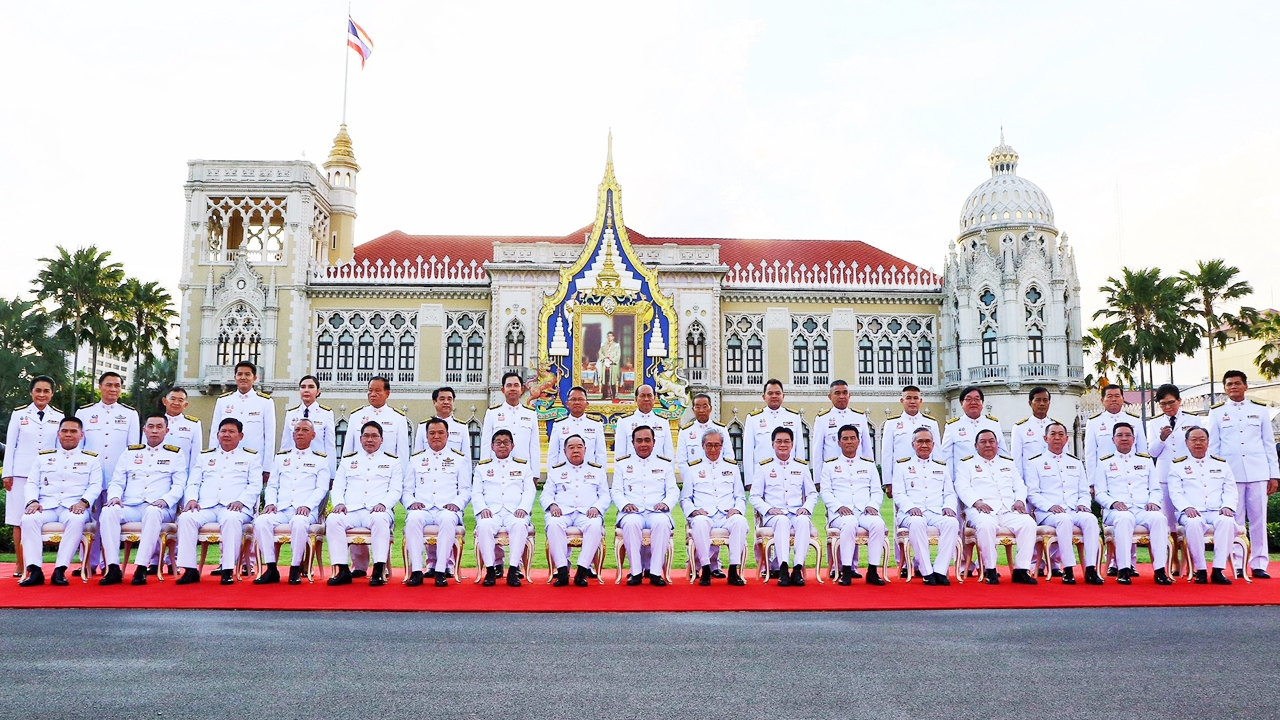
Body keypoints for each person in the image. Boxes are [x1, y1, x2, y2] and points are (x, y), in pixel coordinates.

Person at [99, 413, 186, 586]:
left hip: (160, 508)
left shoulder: (175, 454)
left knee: (152, 512)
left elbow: (179, 485)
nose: (154, 431)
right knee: (108, 511)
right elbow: (117, 481)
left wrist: (166, 500)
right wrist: (115, 497)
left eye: (159, 427)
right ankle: (113, 567)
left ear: (166, 430)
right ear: (144, 430)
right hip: (131, 505)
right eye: (151, 427)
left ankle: (140, 568)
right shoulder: (130, 452)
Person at [1208, 370, 1278, 579]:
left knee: (1259, 519)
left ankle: (1259, 564)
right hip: (1231, 474)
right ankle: (1237, 563)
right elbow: (1214, 447)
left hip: (1258, 472)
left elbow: (1268, 444)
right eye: (1229, 384)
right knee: (1234, 520)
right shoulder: (1217, 412)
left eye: (1237, 383)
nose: (1233, 387)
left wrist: (1273, 475)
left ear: (1245, 386)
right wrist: (1215, 476)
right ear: (1225, 388)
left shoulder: (1260, 410)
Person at [17, 418, 103, 587]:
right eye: (64, 431)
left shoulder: (91, 459)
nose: (68, 435)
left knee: (76, 520)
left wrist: (83, 502)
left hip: (73, 507)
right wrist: (32, 502)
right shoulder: (43, 457)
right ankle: (34, 570)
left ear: (81, 435)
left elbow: (95, 485)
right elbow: (32, 483)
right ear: (58, 434)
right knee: (28, 519)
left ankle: (60, 570)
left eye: (73, 431)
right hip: (46, 506)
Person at [175, 418, 262, 585]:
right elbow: (193, 482)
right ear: (217, 434)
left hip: (235, 507)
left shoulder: (251, 457)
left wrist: (241, 501)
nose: (226, 435)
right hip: (206, 506)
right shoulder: (205, 456)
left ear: (241, 436)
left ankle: (227, 569)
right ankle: (190, 569)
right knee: (186, 518)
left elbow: (255, 484)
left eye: (231, 432)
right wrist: (192, 499)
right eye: (223, 431)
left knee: (231, 519)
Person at [342, 376, 410, 576]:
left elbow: (402, 454)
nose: (373, 394)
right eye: (370, 390)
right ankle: (359, 566)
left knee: (380, 520)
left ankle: (381, 566)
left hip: (386, 480)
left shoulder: (398, 418)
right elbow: (348, 450)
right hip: (358, 476)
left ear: (387, 393)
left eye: (377, 391)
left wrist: (401, 484)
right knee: (355, 510)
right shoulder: (356, 416)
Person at [954, 429, 1038, 585]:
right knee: (986, 525)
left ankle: (1021, 570)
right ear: (976, 445)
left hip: (1008, 509)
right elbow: (962, 487)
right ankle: (990, 569)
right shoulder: (966, 464)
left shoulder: (1007, 463)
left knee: (1028, 523)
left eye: (991, 441)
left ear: (997, 444)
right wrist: (977, 502)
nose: (988, 445)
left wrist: (1020, 500)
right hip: (980, 510)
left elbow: (1020, 485)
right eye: (983, 442)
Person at [76, 371, 140, 573]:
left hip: (117, 478)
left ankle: (108, 562)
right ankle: (88, 562)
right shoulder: (84, 413)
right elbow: (80, 448)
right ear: (100, 386)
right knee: (88, 521)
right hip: (90, 477)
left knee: (110, 520)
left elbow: (133, 449)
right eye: (109, 385)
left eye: (117, 386)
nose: (113, 389)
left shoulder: (130, 414)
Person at [1095, 422, 1173, 585]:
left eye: (1127, 435)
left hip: (1142, 508)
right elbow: (1100, 493)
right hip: (1117, 511)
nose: (1124, 439)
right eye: (1120, 435)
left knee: (1159, 519)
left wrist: (1153, 502)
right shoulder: (1104, 463)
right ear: (1113, 439)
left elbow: (1156, 489)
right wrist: (1113, 502)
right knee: (1124, 519)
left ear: (1134, 439)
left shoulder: (1145, 461)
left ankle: (1160, 570)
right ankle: (1123, 569)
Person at [325, 421, 402, 587]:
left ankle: (378, 569)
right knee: (332, 520)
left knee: (380, 519)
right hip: (351, 510)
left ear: (381, 440)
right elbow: (337, 487)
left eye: (374, 436)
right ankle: (343, 569)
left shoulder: (392, 462)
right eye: (366, 436)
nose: (370, 439)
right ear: (360, 439)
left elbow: (396, 490)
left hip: (377, 510)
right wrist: (338, 503)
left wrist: (384, 504)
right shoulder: (348, 461)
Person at [1026, 422, 1103, 585]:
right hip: (1048, 513)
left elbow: (1083, 491)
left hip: (1073, 509)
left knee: (1090, 519)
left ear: (1067, 438)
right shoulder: (1035, 463)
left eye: (1061, 434)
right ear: (1045, 438)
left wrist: (1084, 505)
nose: (1057, 438)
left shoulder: (1075, 462)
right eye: (1053, 434)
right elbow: (1032, 493)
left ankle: (1090, 568)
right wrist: (1050, 506)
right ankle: (1068, 569)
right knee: (1064, 520)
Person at [253, 418, 329, 585]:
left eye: (304, 430)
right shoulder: (281, 458)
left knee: (299, 522)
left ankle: (295, 568)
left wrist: (307, 506)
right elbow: (272, 485)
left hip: (305, 511)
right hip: (281, 509)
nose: (300, 433)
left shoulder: (321, 460)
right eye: (297, 430)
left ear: (313, 435)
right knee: (261, 521)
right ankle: (271, 568)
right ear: (293, 435)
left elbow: (322, 489)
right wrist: (270, 503)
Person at [4, 375, 63, 576]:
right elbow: (11, 445)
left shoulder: (58, 416)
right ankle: (20, 565)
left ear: (52, 394)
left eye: (46, 391)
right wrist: (7, 474)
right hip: (20, 474)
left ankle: (36, 564)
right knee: (18, 520)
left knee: (40, 518)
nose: (42, 394)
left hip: (48, 475)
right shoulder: (19, 414)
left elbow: (59, 447)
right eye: (38, 390)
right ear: (31, 392)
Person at [403, 418, 471, 587]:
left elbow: (466, 490)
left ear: (447, 435)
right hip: (423, 507)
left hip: (446, 508)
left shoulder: (458, 459)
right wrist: (411, 503)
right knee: (413, 518)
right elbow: (406, 490)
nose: (436, 436)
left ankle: (441, 570)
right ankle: (417, 571)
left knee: (448, 519)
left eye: (441, 432)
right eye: (432, 433)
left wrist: (456, 504)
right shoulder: (416, 459)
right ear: (426, 436)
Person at [1168, 426, 1239, 585]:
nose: (1198, 443)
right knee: (1193, 523)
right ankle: (1200, 569)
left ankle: (1218, 569)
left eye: (1202, 439)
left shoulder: (1220, 463)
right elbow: (1175, 492)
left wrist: (1228, 506)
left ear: (1208, 442)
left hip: (1216, 510)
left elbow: (1230, 489)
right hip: (1192, 511)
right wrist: (1187, 508)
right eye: (1194, 440)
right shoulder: (1178, 465)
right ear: (1186, 443)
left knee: (1227, 521)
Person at [819, 425, 887, 586]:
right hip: (840, 514)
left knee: (878, 524)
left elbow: (877, 491)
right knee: (849, 523)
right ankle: (847, 570)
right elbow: (826, 492)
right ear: (839, 442)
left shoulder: (869, 465)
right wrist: (838, 507)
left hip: (864, 511)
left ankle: (872, 570)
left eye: (852, 438)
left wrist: (873, 506)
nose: (849, 442)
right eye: (845, 438)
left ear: (858, 441)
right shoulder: (829, 465)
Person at [612, 425, 678, 586]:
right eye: (639, 440)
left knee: (662, 523)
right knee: (631, 523)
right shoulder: (622, 464)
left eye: (647, 440)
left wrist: (665, 503)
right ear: (633, 443)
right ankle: (635, 572)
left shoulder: (664, 464)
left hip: (657, 511)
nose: (643, 444)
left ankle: (655, 573)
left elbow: (673, 491)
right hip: (632, 511)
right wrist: (625, 504)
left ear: (654, 442)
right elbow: (616, 491)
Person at [680, 429, 747, 586]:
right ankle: (705, 568)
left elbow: (740, 497)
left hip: (726, 515)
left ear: (722, 446)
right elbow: (685, 498)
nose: (713, 449)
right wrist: (694, 511)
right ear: (702, 446)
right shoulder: (693, 468)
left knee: (740, 521)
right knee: (700, 522)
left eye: (717, 445)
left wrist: (737, 510)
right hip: (705, 514)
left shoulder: (732, 467)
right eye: (709, 445)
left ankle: (733, 569)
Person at [892, 428, 958, 585]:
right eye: (920, 441)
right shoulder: (902, 466)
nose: (924, 445)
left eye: (927, 441)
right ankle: (927, 571)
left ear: (933, 444)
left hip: (935, 512)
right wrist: (910, 508)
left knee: (952, 522)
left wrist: (949, 507)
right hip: (910, 514)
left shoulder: (941, 467)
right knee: (917, 522)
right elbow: (898, 493)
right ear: (913, 444)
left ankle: (940, 571)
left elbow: (949, 493)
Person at [1147, 383, 1201, 575]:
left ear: (1179, 401)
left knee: (1190, 520)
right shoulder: (1154, 423)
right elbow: (1151, 452)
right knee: (1168, 524)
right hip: (1165, 477)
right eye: (1163, 404)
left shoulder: (1193, 419)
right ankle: (1175, 562)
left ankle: (1193, 563)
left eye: (1171, 403)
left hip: (1188, 476)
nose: (1168, 407)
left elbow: (1200, 445)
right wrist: (1161, 438)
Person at [751, 427, 816, 587]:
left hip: (795, 512)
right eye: (779, 441)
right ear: (773, 444)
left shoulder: (801, 467)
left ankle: (797, 568)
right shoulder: (764, 467)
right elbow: (754, 496)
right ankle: (783, 568)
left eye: (786, 441)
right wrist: (768, 509)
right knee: (782, 521)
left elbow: (812, 494)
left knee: (803, 521)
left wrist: (806, 508)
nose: (783, 445)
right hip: (774, 516)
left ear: (792, 444)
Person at [473, 429, 536, 587]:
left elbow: (530, 490)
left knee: (520, 525)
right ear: (492, 447)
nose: (502, 445)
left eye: (506, 442)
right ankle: (490, 570)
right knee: (484, 525)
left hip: (514, 511)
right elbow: (476, 492)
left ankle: (513, 569)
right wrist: (482, 509)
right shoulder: (482, 468)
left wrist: (523, 508)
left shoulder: (523, 467)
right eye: (498, 443)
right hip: (491, 511)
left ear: (512, 446)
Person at [544, 434, 610, 587]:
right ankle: (562, 570)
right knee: (553, 524)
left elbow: (605, 496)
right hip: (562, 512)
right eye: (571, 447)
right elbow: (546, 494)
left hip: (587, 513)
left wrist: (596, 507)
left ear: (585, 450)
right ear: (564, 450)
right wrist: (552, 505)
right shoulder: (555, 470)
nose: (575, 450)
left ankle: (582, 571)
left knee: (594, 526)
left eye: (579, 447)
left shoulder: (597, 470)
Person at [209, 361, 276, 483]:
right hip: (225, 460)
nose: (243, 377)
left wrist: (267, 467)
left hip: (254, 462)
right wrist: (212, 460)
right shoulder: (223, 401)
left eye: (247, 374)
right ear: (235, 378)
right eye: (239, 374)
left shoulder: (265, 402)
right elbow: (215, 432)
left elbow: (270, 437)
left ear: (255, 378)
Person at [480, 372, 542, 481]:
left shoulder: (530, 414)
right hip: (497, 468)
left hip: (523, 469)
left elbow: (534, 446)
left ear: (522, 389)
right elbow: (486, 443)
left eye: (516, 385)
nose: (513, 388)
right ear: (503, 390)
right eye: (509, 385)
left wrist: (535, 473)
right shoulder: (492, 413)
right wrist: (485, 469)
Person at [1084, 383, 1147, 486]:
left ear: (1123, 399)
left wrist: (1144, 474)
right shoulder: (1094, 422)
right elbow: (1090, 454)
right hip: (1106, 474)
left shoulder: (1134, 420)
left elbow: (1142, 449)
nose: (1114, 399)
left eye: (1117, 396)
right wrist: (1092, 482)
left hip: (1132, 473)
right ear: (1102, 400)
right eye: (1109, 396)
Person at [742, 379, 806, 475]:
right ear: (764, 396)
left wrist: (800, 474)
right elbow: (748, 452)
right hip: (762, 474)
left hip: (788, 473)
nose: (774, 396)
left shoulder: (794, 417)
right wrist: (749, 480)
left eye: (777, 393)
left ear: (783, 396)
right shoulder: (753, 418)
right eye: (770, 393)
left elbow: (799, 449)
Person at [279, 375, 337, 477]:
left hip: (317, 467)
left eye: (311, 387)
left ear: (318, 391)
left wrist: (331, 475)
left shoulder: (326, 413)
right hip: (294, 466)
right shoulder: (291, 413)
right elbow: (286, 444)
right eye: (303, 387)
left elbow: (330, 446)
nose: (306, 390)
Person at [811, 380, 872, 465]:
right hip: (833, 472)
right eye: (837, 393)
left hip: (857, 471)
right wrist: (818, 478)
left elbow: (867, 449)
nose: (842, 396)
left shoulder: (860, 417)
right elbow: (817, 453)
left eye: (845, 393)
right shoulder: (822, 419)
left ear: (849, 396)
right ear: (830, 396)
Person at [879, 385, 939, 469]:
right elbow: (887, 454)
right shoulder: (891, 423)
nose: (912, 401)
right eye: (908, 398)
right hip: (900, 473)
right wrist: (888, 481)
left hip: (926, 473)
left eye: (915, 398)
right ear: (902, 401)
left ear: (920, 401)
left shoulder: (931, 423)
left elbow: (937, 452)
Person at [547, 386, 607, 469]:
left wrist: (601, 476)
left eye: (580, 399)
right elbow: (553, 455)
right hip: (564, 475)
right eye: (573, 399)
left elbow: (601, 455)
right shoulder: (559, 425)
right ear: (567, 403)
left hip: (589, 475)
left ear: (587, 403)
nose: (577, 402)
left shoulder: (596, 424)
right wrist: (552, 476)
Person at [613, 384, 675, 461]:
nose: (646, 399)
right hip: (632, 469)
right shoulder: (624, 421)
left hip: (657, 470)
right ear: (636, 399)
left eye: (649, 395)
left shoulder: (663, 421)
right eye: (642, 396)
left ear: (654, 398)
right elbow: (620, 453)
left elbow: (668, 453)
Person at [1010, 387, 1059, 481]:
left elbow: (1064, 455)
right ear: (1030, 403)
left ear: (1049, 403)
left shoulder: (1057, 427)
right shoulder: (1020, 428)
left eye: (1045, 400)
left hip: (1054, 479)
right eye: (1037, 400)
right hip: (1031, 479)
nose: (1042, 404)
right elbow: (1017, 460)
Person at [160, 387, 203, 488]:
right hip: (158, 475)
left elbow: (195, 456)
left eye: (180, 400)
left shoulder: (194, 424)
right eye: (173, 399)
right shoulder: (154, 422)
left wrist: (191, 483)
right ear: (164, 401)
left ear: (186, 405)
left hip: (182, 476)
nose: (176, 403)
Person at [413, 386, 470, 457]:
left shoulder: (462, 427)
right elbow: (417, 456)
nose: (446, 402)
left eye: (449, 399)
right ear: (434, 402)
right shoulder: (423, 427)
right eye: (442, 399)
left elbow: (466, 459)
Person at [598, 331, 621, 400]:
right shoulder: (603, 345)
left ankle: (613, 395)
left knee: (612, 381)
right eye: (608, 336)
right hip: (605, 365)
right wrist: (604, 358)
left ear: (613, 337)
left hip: (612, 366)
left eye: (611, 336)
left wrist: (612, 360)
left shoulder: (616, 345)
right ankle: (604, 395)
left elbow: (618, 355)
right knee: (604, 381)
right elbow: (600, 353)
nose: (609, 337)